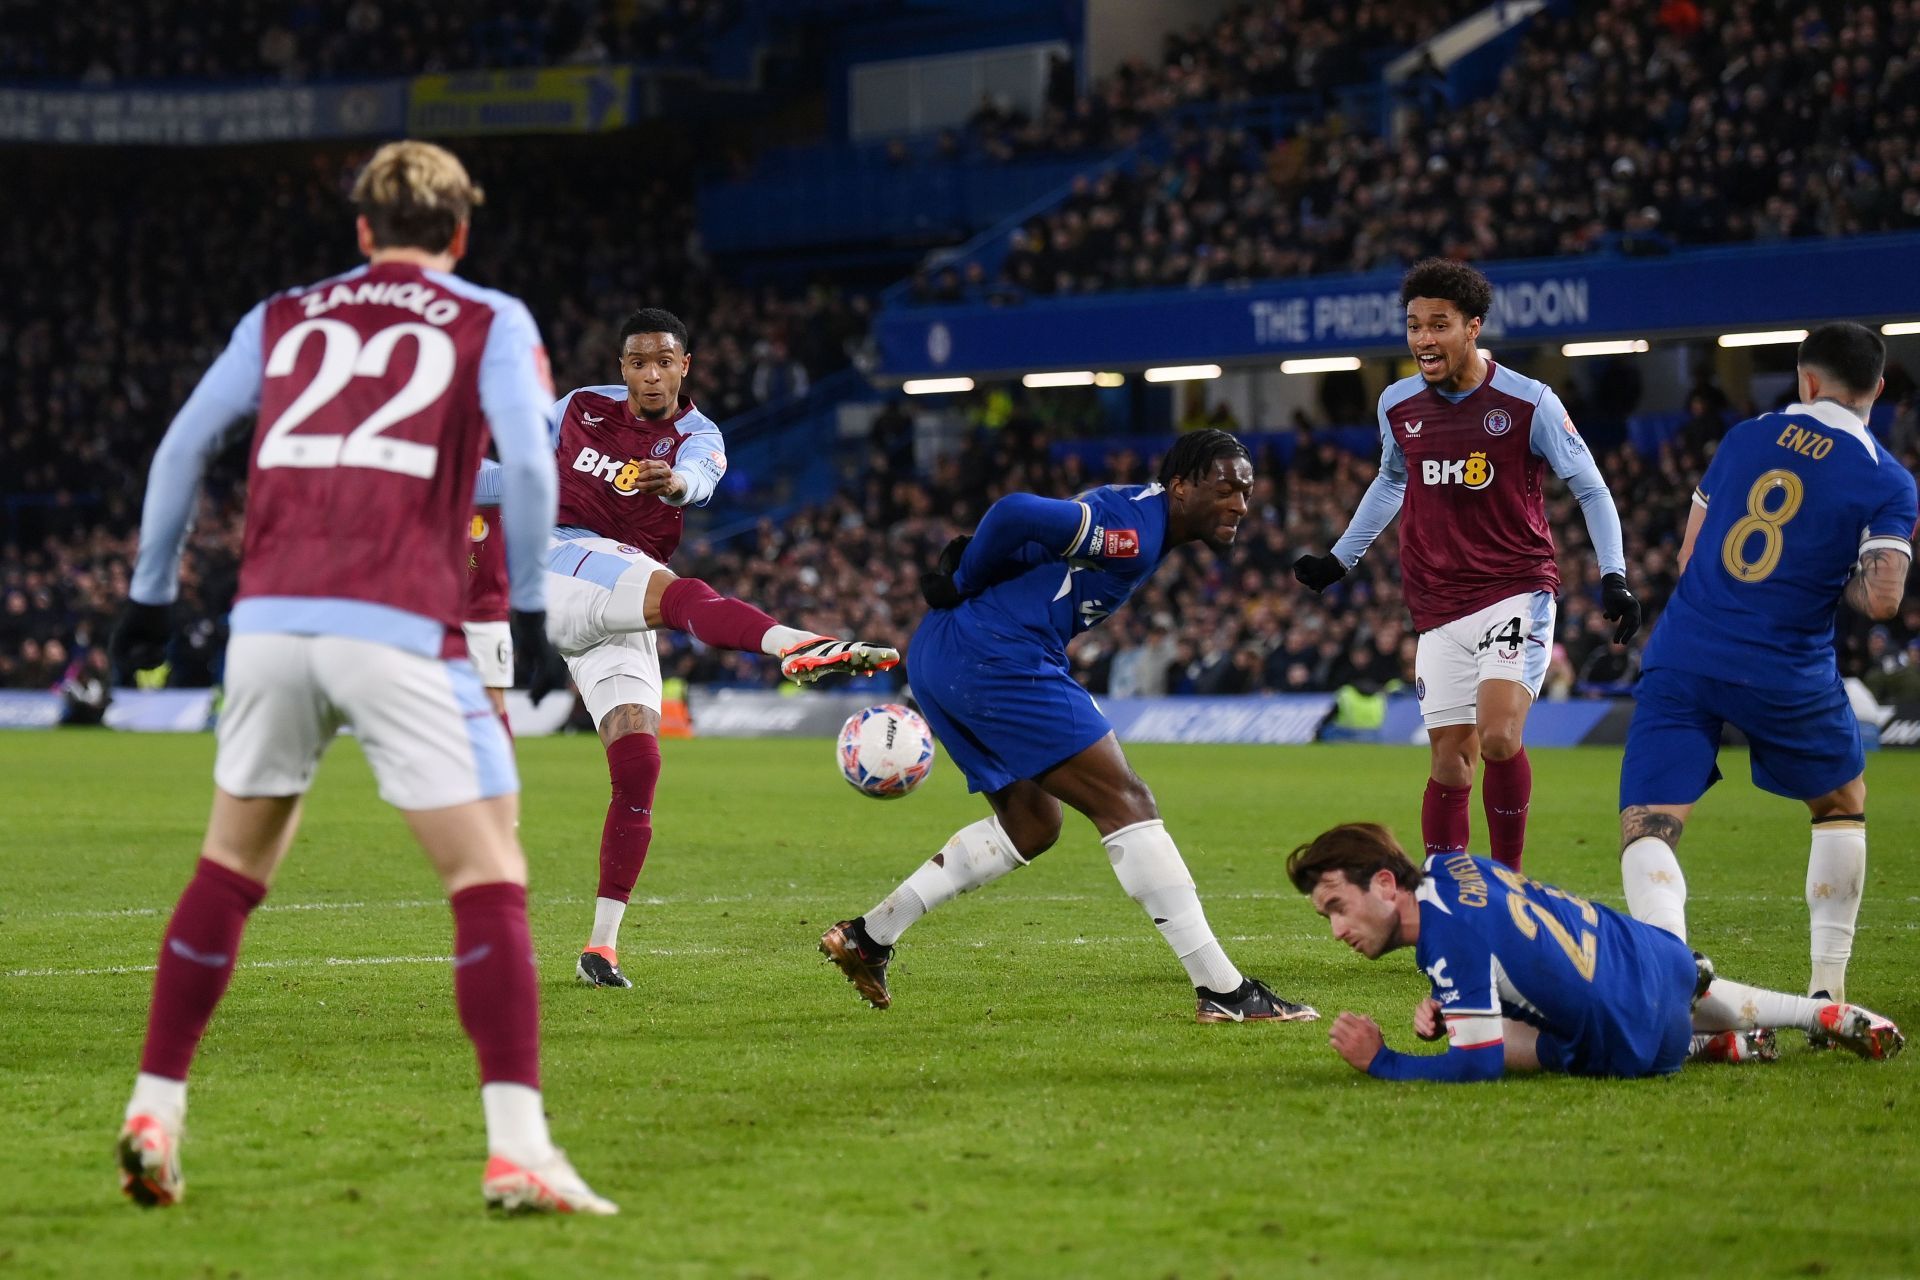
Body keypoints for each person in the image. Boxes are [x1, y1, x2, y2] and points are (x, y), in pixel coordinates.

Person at [107, 141, 615, 1214]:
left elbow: (182, 447)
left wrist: (150, 595)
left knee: (230, 863)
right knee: (490, 873)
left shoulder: (282, 314)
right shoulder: (492, 316)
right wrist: (527, 601)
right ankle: (517, 1144)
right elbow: (529, 461)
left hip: (267, 622)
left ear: (361, 232)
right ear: (461, 233)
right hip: (396, 621)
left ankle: (156, 1102)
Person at [819, 430, 1318, 1024]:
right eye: (1225, 488)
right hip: (996, 655)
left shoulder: (1140, 516)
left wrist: (972, 583)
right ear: (1181, 486)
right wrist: (965, 577)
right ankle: (1226, 992)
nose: (1240, 503)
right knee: (1127, 802)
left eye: (1247, 491)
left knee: (1032, 824)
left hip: (946, 653)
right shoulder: (1134, 535)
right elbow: (1014, 512)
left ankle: (870, 936)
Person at [477, 306, 900, 990]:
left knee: (640, 762)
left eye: (663, 362)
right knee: (679, 591)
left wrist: (672, 483)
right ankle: (794, 645)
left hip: (616, 601)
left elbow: (699, 481)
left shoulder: (699, 437)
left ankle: (601, 950)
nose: (650, 375)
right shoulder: (580, 408)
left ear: (684, 366)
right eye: (638, 362)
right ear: (623, 368)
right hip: (553, 562)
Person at [1292, 259, 1640, 871]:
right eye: (1414, 325)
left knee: (1500, 735)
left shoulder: (1529, 402)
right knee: (1450, 757)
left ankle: (1509, 885)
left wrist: (1614, 574)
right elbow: (1390, 482)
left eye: (1439, 325)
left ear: (1473, 327)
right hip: (1435, 602)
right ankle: (1449, 899)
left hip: (1514, 588)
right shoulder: (1397, 403)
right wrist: (1340, 560)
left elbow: (1591, 488)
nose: (1423, 339)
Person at [1616, 322, 1917, 1005]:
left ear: (1805, 379)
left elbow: (1691, 556)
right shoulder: (1886, 480)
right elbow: (1883, 600)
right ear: (1878, 387)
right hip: (1785, 665)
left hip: (1685, 651)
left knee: (1651, 822)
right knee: (1841, 803)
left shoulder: (1746, 437)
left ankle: (1672, 984)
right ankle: (1826, 988)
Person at [1286, 823, 1903, 1082]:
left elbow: (1475, 1064)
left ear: (1387, 886)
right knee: (1624, 983)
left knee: (1499, 1039)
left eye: (1338, 906)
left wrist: (1382, 1062)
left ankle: (1702, 1044)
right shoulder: (1452, 866)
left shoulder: (1448, 945)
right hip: (1659, 959)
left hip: (1639, 1042)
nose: (1337, 929)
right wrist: (1448, 997)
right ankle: (1804, 1013)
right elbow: (1515, 946)